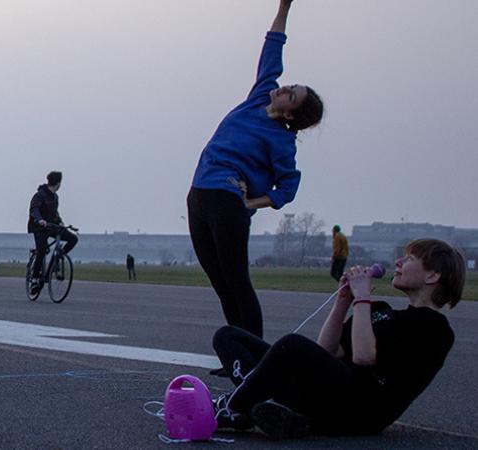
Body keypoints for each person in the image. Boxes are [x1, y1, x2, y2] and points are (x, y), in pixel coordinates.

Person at [211, 238, 463, 440]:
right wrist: (343, 302)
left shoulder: (435, 331)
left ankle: (233, 408)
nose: (398, 262)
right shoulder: (381, 311)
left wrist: (362, 298)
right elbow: (328, 350)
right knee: (229, 336)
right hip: (329, 395)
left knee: (292, 345)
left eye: (409, 258)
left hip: (360, 413)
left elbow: (365, 358)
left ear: (432, 276)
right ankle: (263, 408)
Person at [187, 0, 323, 339]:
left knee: (237, 280)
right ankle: (237, 352)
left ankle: (256, 354)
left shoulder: (281, 142)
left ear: (291, 114)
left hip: (227, 201)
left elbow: (288, 187)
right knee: (220, 281)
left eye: (292, 95)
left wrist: (251, 203)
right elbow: (273, 45)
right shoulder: (260, 94)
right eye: (291, 85)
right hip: (198, 195)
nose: (285, 89)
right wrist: (284, 6)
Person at [27, 171, 78, 295]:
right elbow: (34, 209)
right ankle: (34, 279)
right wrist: (40, 220)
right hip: (39, 228)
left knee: (73, 239)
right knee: (42, 250)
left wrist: (60, 222)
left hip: (52, 227)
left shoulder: (55, 197)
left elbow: (55, 214)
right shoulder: (40, 195)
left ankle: (58, 258)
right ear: (58, 183)